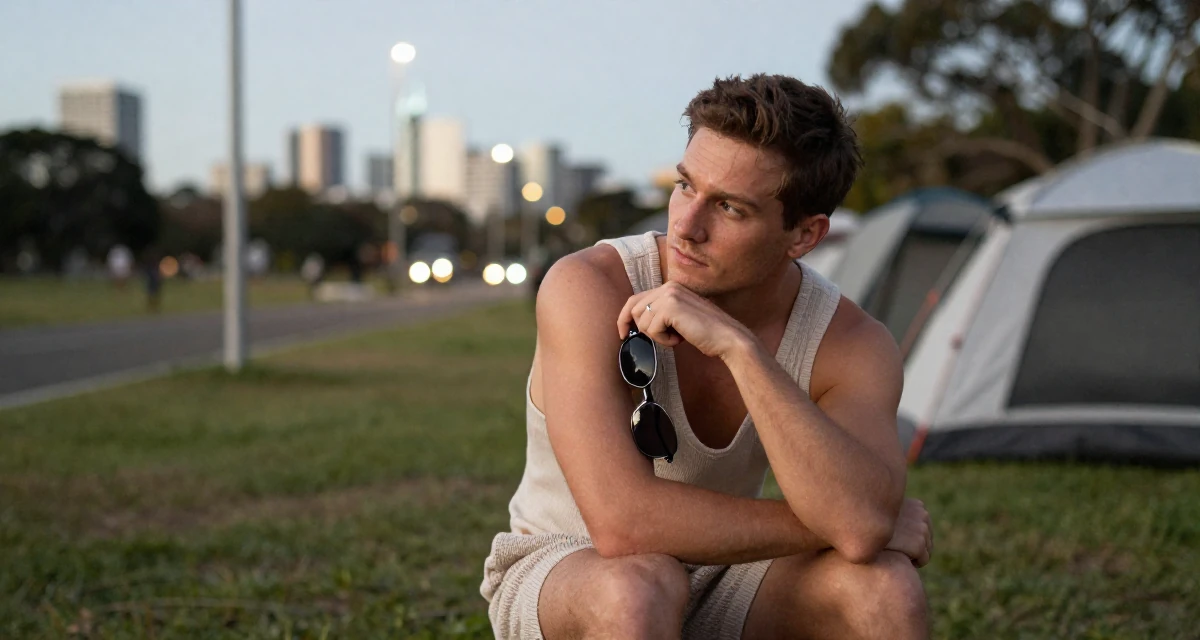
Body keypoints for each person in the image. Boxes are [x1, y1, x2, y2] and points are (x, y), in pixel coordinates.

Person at [481, 74, 933, 639]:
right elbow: (623, 524)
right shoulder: (588, 285)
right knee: (637, 589)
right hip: (570, 568)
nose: (686, 227)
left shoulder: (852, 343)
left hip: (725, 572)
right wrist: (843, 523)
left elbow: (863, 525)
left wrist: (740, 349)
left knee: (883, 588)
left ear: (804, 236)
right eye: (685, 186)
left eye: (730, 208)